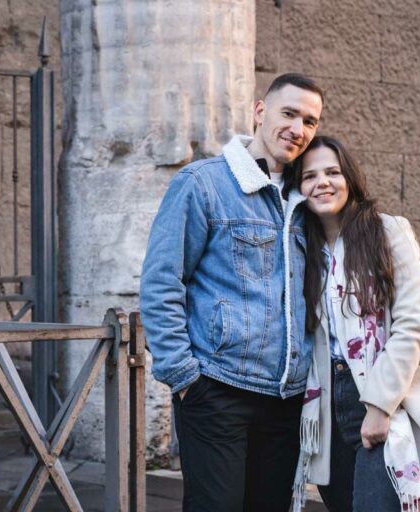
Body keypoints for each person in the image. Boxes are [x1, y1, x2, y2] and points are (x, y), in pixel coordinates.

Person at [140, 73, 324, 512]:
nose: (298, 129)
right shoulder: (202, 184)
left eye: (310, 121)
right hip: (217, 390)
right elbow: (161, 283)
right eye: (289, 113)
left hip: (286, 400)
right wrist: (185, 378)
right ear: (260, 112)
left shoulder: (309, 198)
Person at [289, 136, 420, 512]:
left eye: (332, 172)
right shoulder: (302, 247)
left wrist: (380, 406)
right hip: (323, 405)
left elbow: (414, 324)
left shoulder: (389, 232)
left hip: (377, 394)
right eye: (310, 176)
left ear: (350, 178)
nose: (322, 182)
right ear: (298, 187)